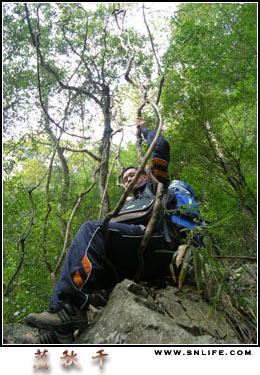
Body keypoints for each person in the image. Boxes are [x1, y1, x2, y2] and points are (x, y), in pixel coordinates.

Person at [23, 117, 179, 344]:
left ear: (144, 175)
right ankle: (61, 330)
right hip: (132, 259)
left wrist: (144, 130)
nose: (128, 181)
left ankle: (70, 308)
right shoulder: (128, 204)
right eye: (125, 180)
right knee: (87, 252)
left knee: (92, 229)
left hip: (157, 246)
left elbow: (161, 146)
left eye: (132, 176)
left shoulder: (156, 184)